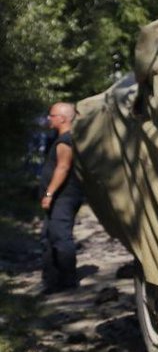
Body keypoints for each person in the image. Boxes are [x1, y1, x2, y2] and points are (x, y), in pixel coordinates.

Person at [39, 102, 84, 292]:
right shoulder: (61, 139)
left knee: (61, 237)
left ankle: (68, 281)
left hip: (63, 197)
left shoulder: (66, 140)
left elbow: (63, 167)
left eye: (52, 115)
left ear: (63, 118)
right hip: (60, 197)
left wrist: (49, 193)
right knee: (49, 237)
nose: (49, 118)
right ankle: (52, 282)